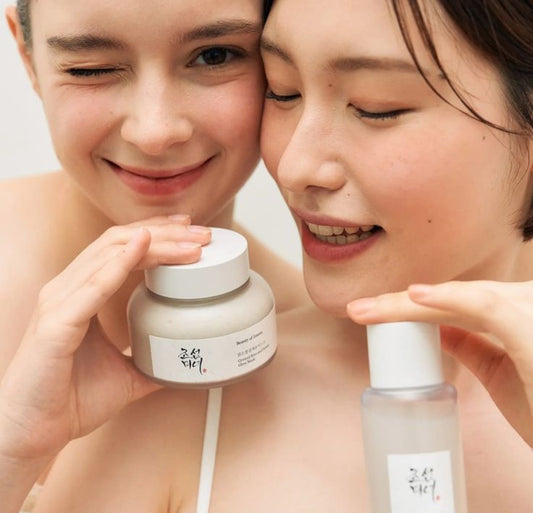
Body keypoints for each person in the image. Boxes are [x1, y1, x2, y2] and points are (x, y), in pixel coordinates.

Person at [5, 0, 533, 511]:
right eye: (284, 92)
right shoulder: (191, 393)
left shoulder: (253, 329)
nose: (293, 167)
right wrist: (14, 448)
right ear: (26, 55)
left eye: (377, 106)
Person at [0, 0, 307, 511]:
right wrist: (12, 452)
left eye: (214, 56)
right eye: (92, 68)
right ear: (28, 56)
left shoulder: (319, 338)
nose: (156, 131)